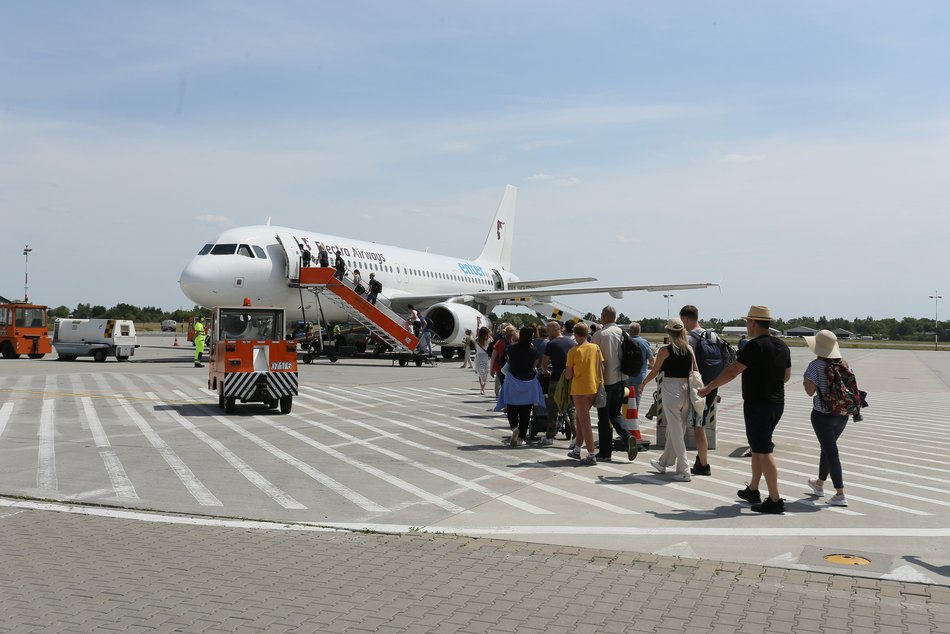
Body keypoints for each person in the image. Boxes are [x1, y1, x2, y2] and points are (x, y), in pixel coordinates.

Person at [699, 305, 791, 514]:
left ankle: (775, 499)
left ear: (753, 323)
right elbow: (786, 376)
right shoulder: (782, 346)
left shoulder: (754, 346)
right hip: (777, 403)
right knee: (758, 447)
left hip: (758, 403)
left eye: (747, 322)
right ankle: (753, 489)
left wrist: (709, 387)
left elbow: (733, 371)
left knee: (764, 449)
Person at [639, 318, 698, 481]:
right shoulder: (689, 349)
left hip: (671, 390)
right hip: (687, 390)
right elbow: (696, 371)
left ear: (670, 332)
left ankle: (685, 470)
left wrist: (643, 383)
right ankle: (664, 462)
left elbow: (655, 371)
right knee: (678, 430)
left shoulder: (665, 350)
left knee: (676, 432)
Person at [802, 330, 852, 507]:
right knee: (827, 448)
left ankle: (840, 494)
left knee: (831, 452)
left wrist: (806, 380)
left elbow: (809, 392)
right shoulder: (844, 363)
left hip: (822, 415)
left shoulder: (815, 366)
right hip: (842, 415)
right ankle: (819, 484)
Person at [680, 304, 724, 476]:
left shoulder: (689, 339)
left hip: (697, 388)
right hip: (712, 385)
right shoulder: (713, 335)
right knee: (701, 423)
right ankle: (700, 459)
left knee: (699, 426)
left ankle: (704, 464)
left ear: (685, 319)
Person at [591, 306, 636, 462]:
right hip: (622, 378)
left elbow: (594, 359)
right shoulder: (623, 333)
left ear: (603, 317)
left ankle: (605, 452)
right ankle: (627, 436)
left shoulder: (600, 335)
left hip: (606, 380)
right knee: (615, 413)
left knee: (603, 417)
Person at [564, 322, 603, 465]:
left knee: (584, 421)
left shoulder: (573, 351)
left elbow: (568, 375)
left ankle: (591, 454)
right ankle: (577, 449)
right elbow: (601, 367)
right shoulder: (596, 348)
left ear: (575, 334)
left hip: (579, 390)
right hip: (593, 387)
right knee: (581, 419)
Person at [497, 326, 544, 447]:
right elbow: (535, 365)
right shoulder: (533, 350)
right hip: (528, 381)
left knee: (511, 408)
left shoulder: (511, 348)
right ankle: (521, 438)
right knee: (526, 411)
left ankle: (514, 428)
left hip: (513, 380)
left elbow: (505, 359)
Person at [540, 321, 576, 445]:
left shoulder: (551, 344)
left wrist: (545, 371)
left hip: (556, 378)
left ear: (556, 329)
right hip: (571, 378)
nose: (548, 333)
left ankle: (550, 436)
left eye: (549, 331)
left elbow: (544, 362)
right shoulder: (572, 342)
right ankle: (576, 436)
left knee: (553, 407)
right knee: (571, 407)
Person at [623, 322, 654, 446]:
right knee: (635, 403)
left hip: (625, 376)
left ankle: (624, 425)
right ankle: (633, 426)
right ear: (639, 331)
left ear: (630, 331)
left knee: (624, 401)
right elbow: (652, 361)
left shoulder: (625, 342)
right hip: (638, 377)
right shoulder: (644, 343)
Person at [490, 325, 516, 398]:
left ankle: (506, 402)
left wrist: (491, 369)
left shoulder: (499, 342)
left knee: (503, 384)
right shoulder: (516, 342)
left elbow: (493, 356)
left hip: (501, 367)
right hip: (513, 367)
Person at [473, 326, 493, 395]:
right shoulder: (489, 339)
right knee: (485, 372)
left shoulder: (476, 340)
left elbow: (476, 348)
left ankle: (482, 388)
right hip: (485, 357)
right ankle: (482, 388)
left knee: (480, 373)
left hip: (478, 356)